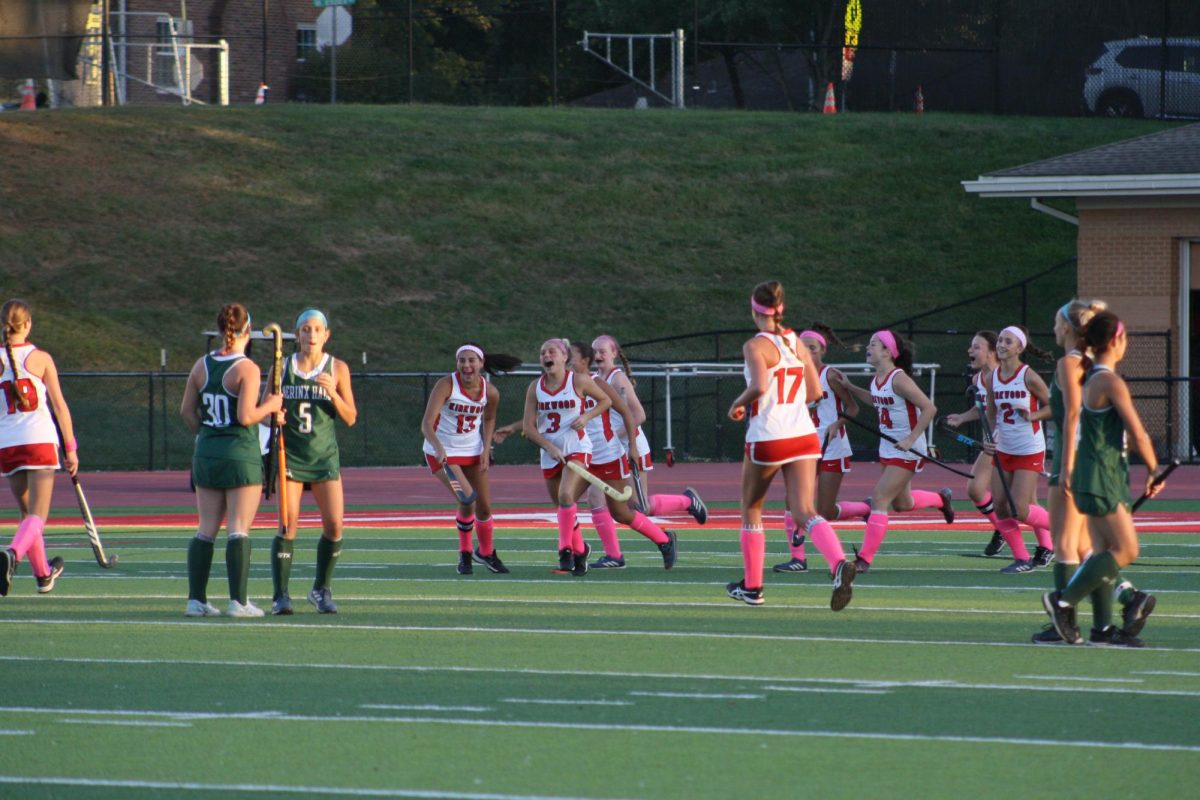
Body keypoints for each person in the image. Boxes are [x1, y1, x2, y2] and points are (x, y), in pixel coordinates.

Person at [726, 281, 857, 611]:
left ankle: (753, 587)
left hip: (769, 435)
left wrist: (738, 404)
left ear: (756, 310)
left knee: (751, 508)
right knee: (805, 510)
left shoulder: (756, 346)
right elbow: (814, 393)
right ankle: (838, 562)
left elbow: (758, 385)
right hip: (803, 434)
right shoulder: (797, 342)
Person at [1029, 301, 1154, 644]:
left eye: (1057, 324)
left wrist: (1066, 466)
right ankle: (1109, 617)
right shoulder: (1089, 365)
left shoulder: (1069, 363)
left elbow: (1071, 416)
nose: (1054, 330)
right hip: (1094, 464)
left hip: (1073, 462)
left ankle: (1064, 612)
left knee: (1067, 545)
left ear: (1068, 328)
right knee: (1094, 547)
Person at [180, 303, 282, 618]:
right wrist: (272, 406)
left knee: (206, 528)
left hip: (207, 454)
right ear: (247, 331)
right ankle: (238, 602)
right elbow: (246, 415)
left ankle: (196, 600)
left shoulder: (201, 365)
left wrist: (208, 435)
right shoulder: (247, 368)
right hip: (240, 455)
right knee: (238, 527)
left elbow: (187, 411)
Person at [842, 329, 953, 573]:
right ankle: (941, 499)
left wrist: (911, 438)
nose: (867, 348)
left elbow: (929, 408)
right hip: (889, 447)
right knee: (903, 503)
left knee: (880, 498)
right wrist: (850, 387)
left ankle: (864, 559)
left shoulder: (899, 378)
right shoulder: (877, 379)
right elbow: (875, 400)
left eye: (873, 344)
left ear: (887, 352)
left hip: (907, 449)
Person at [269, 309, 358, 615]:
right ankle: (280, 595)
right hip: (290, 456)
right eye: (305, 329)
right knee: (287, 525)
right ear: (297, 335)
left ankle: (321, 589)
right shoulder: (281, 368)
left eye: (316, 329)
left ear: (326, 335)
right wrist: (274, 416)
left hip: (323, 457)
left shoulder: (338, 368)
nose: (310, 335)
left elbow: (350, 417)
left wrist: (332, 392)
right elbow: (265, 410)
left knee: (334, 525)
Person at [589, 334, 703, 568]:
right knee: (596, 497)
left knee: (638, 506)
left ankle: (687, 501)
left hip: (630, 448)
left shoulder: (617, 379)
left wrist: (613, 437)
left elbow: (639, 415)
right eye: (595, 351)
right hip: (608, 452)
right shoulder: (593, 379)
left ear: (614, 354)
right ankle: (613, 555)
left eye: (602, 351)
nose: (598, 355)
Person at [566, 341, 678, 569]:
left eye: (571, 358)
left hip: (607, 455)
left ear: (584, 361)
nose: (567, 362)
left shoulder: (597, 383)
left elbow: (628, 413)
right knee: (565, 501)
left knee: (623, 513)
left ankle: (664, 540)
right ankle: (573, 554)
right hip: (582, 456)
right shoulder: (567, 384)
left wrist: (633, 449)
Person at [421, 342, 519, 576]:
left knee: (484, 507)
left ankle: (485, 552)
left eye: (471, 360)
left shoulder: (490, 391)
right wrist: (438, 447)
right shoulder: (446, 385)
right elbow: (426, 423)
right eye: (461, 360)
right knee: (467, 499)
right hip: (443, 452)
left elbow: (488, 420)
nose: (466, 365)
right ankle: (465, 553)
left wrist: (486, 450)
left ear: (481, 363)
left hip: (472, 451)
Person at [0, 300, 75, 597]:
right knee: (38, 516)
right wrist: (71, 448)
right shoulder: (41, 358)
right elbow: (60, 406)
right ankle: (11, 555)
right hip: (40, 442)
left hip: (7, 445)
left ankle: (43, 574)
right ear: (28, 324)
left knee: (26, 515)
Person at [773, 323, 861, 574]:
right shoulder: (792, 374)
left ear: (822, 350)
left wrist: (837, 423)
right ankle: (798, 559)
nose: (807, 352)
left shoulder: (830, 375)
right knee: (793, 501)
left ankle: (864, 508)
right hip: (802, 445)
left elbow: (853, 409)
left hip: (832, 447)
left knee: (825, 510)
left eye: (813, 348)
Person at [519, 338, 611, 576]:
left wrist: (587, 417)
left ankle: (565, 552)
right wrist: (548, 446)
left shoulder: (578, 380)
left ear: (563, 357)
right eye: (542, 353)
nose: (546, 356)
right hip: (550, 452)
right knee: (562, 506)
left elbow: (605, 400)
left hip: (577, 446)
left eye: (551, 352)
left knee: (565, 494)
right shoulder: (535, 387)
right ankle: (581, 550)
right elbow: (529, 428)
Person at [984, 325, 1055, 574]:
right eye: (1001, 340)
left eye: (1008, 341)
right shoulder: (992, 377)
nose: (1002, 345)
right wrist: (991, 435)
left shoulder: (1028, 376)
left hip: (1028, 448)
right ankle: (1022, 558)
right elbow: (991, 410)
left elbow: (1055, 406)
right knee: (1000, 506)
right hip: (1004, 448)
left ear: (1019, 348)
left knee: (1020, 509)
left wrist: (1033, 414)